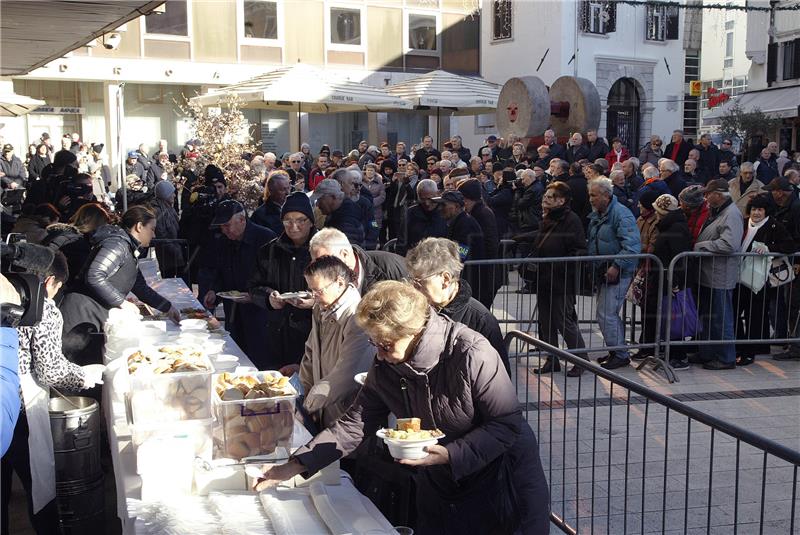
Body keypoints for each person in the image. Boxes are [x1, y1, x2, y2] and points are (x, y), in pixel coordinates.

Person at [254, 281, 551, 535]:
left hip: (502, 481)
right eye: (374, 344)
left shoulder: (472, 352)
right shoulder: (387, 363)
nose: (379, 355)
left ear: (412, 331)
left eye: (384, 344)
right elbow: (355, 423)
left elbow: (506, 424)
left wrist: (451, 454)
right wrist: (294, 465)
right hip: (441, 482)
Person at [1, 252, 103, 535]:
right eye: (58, 288)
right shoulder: (42, 308)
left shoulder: (3, 290)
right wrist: (84, 376)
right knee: (38, 481)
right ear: (49, 281)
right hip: (19, 403)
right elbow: (49, 369)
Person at [60, 206, 180, 365]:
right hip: (81, 315)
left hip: (92, 315)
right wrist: (122, 302)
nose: (154, 234)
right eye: (151, 229)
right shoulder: (118, 244)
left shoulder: (128, 248)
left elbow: (140, 287)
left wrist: (167, 307)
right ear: (139, 227)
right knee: (82, 369)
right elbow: (94, 275)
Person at [299, 256, 374, 430]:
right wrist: (302, 393)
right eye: (311, 290)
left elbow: (349, 373)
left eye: (318, 291)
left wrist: (307, 404)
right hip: (321, 406)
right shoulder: (320, 308)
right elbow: (310, 354)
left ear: (340, 283)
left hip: (347, 414)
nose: (314, 297)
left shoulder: (358, 317)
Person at [199, 200, 276, 369]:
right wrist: (214, 290)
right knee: (236, 356)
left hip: (260, 313)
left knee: (260, 359)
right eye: (222, 227)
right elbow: (221, 271)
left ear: (242, 220)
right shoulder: (224, 241)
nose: (224, 230)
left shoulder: (265, 238)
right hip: (233, 310)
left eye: (227, 225)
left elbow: (274, 277)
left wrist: (255, 296)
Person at [249, 192, 317, 370]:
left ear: (311, 221)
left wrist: (315, 301)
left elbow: (339, 292)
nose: (294, 226)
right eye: (288, 220)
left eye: (301, 220)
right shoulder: (269, 250)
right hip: (275, 333)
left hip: (312, 336)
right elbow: (253, 287)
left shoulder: (322, 251)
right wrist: (268, 298)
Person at [528, 182, 588, 376]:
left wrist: (559, 263)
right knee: (546, 322)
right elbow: (540, 238)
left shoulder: (571, 219)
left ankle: (581, 360)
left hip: (562, 280)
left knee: (564, 321)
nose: (545, 198)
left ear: (561, 200)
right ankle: (551, 359)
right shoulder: (548, 217)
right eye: (545, 195)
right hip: (544, 278)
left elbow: (578, 249)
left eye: (550, 196)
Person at [735, 194, 796, 366]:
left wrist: (769, 248)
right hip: (739, 276)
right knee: (736, 311)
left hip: (759, 279)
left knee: (754, 315)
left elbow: (790, 246)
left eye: (760, 209)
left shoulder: (774, 225)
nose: (756, 213)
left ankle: (749, 351)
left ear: (766, 211)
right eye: (754, 209)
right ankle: (739, 346)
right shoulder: (744, 222)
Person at [587, 178, 641, 370]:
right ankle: (616, 350)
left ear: (606, 195)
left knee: (606, 313)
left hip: (619, 272)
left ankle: (620, 353)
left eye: (594, 195)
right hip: (604, 270)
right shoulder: (599, 214)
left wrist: (617, 265)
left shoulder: (621, 214)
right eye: (590, 195)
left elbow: (632, 245)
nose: (591, 199)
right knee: (605, 313)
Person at [691, 179, 744, 370]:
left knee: (721, 319)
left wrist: (702, 246)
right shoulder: (717, 211)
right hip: (708, 274)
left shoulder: (731, 214)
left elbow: (730, 244)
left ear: (719, 195)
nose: (705, 197)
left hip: (720, 276)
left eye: (709, 193)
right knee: (708, 317)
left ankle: (726, 357)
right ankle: (707, 352)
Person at [308, 227, 406, 296]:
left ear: (345, 254)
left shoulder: (389, 267)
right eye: (316, 263)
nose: (320, 268)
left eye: (325, 262)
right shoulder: (323, 278)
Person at [764, 178, 800, 362]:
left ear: (781, 192)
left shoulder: (795, 208)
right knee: (789, 304)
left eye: (774, 191)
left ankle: (795, 345)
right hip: (788, 261)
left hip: (795, 262)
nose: (772, 194)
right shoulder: (786, 206)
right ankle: (790, 340)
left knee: (795, 305)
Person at [457, 179, 501, 309]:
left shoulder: (480, 214)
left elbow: (487, 243)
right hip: (481, 273)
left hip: (484, 274)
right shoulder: (478, 212)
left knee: (478, 311)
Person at [434, 191, 485, 301]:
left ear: (456, 206)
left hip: (471, 278)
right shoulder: (457, 222)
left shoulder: (465, 223)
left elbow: (461, 251)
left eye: (444, 205)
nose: (440, 208)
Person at [311, 178, 365, 247]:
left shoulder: (347, 218)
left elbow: (345, 249)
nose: (318, 204)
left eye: (320, 199)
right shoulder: (336, 213)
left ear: (333, 197)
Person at [400, 179, 448, 254]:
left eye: (430, 199)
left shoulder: (447, 212)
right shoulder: (410, 213)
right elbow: (402, 241)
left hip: (440, 259)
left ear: (437, 194)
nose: (427, 203)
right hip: (415, 259)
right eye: (422, 199)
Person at [151, 180, 185, 278]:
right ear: (165, 195)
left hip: (175, 255)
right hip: (168, 257)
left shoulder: (169, 207)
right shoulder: (157, 211)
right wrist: (176, 252)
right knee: (170, 286)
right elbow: (161, 234)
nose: (174, 196)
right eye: (172, 193)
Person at [251, 170, 291, 236]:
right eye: (283, 189)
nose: (287, 192)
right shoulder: (260, 215)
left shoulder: (294, 207)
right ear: (271, 190)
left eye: (288, 188)